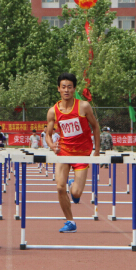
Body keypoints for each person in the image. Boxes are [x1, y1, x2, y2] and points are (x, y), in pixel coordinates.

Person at [45, 73, 100, 233]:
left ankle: (73, 188)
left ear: (74, 89)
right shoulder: (53, 111)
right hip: (64, 152)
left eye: (69, 87)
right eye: (63, 87)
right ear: (58, 89)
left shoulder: (83, 106)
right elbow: (48, 135)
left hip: (82, 154)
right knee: (60, 187)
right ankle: (70, 221)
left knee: (76, 193)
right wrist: (52, 146)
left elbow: (95, 127)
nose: (66, 90)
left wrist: (96, 151)